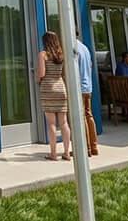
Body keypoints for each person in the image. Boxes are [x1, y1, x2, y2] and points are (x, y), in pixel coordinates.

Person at [37, 31, 71, 161]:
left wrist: (36, 74)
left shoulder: (43, 54)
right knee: (63, 122)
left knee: (51, 123)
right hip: (61, 88)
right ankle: (67, 152)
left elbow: (42, 73)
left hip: (48, 88)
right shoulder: (61, 55)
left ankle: (53, 153)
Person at [74, 30, 99, 157]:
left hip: (78, 88)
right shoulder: (85, 48)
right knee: (89, 115)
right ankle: (94, 147)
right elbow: (90, 66)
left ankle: (86, 148)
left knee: (81, 116)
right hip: (88, 86)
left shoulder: (73, 48)